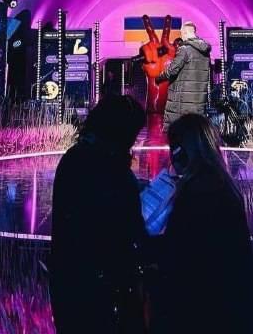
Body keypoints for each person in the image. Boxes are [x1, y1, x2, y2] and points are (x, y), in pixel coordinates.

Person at [154, 114, 253, 334]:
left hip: (208, 311)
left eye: (173, 149)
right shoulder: (220, 183)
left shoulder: (197, 192)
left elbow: (180, 251)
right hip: (234, 309)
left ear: (183, 152)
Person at [50, 94, 148, 334]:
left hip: (70, 283)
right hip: (102, 288)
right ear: (121, 132)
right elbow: (124, 229)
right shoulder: (109, 167)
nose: (133, 143)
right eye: (133, 136)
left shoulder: (76, 157)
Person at [155, 21, 210, 128]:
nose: (181, 37)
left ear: (185, 32)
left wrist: (158, 78)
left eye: (181, 34)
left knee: (180, 131)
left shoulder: (184, 49)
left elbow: (172, 70)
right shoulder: (205, 52)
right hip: (198, 101)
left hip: (182, 102)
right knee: (195, 130)